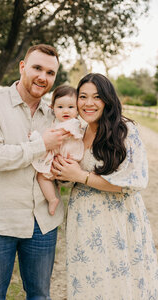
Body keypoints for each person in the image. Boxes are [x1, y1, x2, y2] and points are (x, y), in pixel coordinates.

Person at [0, 44, 69, 300]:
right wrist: (41, 146)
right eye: (37, 68)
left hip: (42, 222)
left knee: (40, 295)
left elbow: (61, 161)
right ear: (22, 67)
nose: (42, 77)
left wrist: (65, 171)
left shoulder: (55, 114)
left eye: (50, 72)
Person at [52, 73, 158, 299]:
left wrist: (81, 176)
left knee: (119, 279)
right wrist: (62, 171)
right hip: (84, 220)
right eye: (83, 96)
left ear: (108, 99)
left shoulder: (125, 131)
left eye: (97, 97)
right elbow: (69, 170)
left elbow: (133, 181)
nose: (88, 103)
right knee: (91, 277)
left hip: (118, 219)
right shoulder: (77, 130)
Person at [30, 85, 84, 216]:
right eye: (60, 107)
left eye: (71, 107)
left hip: (67, 155)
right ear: (52, 108)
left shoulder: (72, 123)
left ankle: (52, 199)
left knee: (42, 175)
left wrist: (36, 137)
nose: (66, 111)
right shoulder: (57, 122)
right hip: (61, 154)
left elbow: (54, 136)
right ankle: (54, 195)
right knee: (47, 176)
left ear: (77, 109)